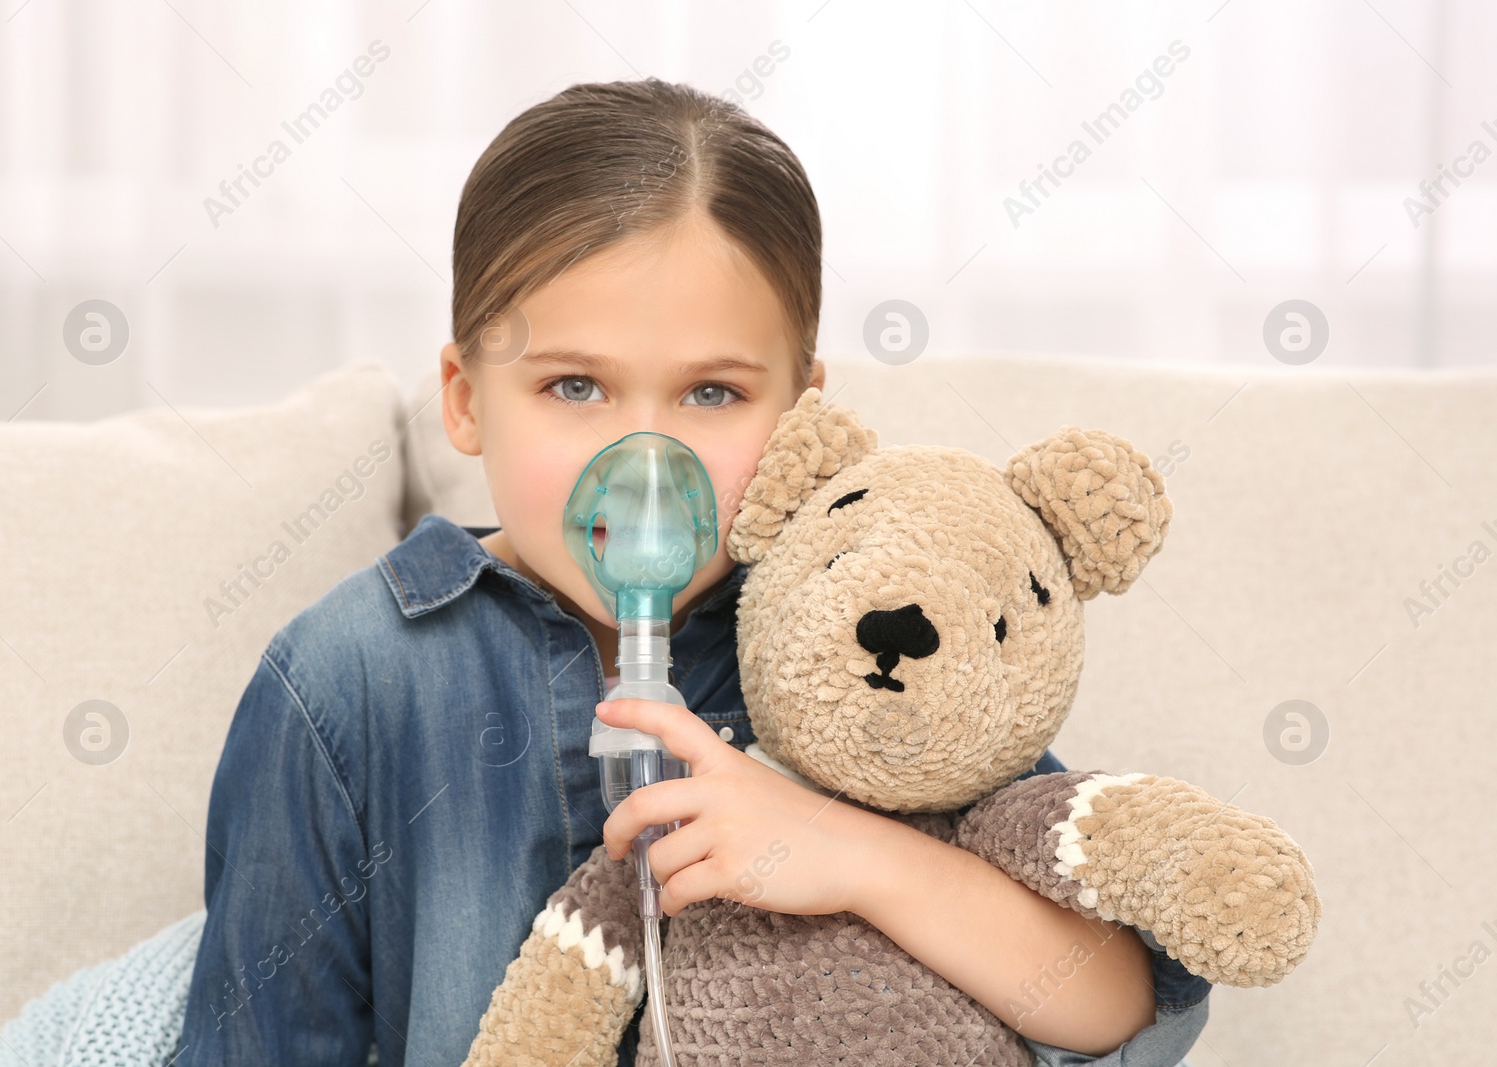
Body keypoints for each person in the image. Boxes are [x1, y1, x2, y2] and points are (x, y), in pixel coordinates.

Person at [174, 77, 1209, 1066]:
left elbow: (1112, 1000)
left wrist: (856, 851)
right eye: (573, 384)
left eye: (711, 394)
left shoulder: (857, 641)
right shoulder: (348, 680)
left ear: (803, 413)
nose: (643, 460)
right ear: (465, 397)